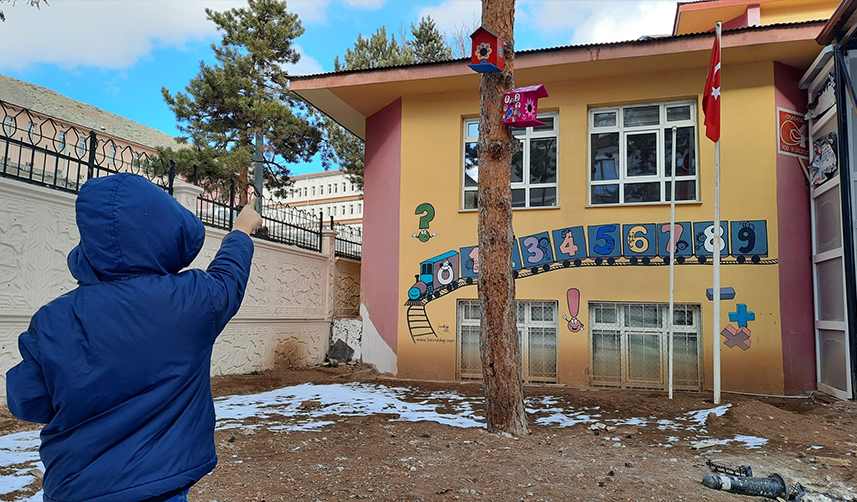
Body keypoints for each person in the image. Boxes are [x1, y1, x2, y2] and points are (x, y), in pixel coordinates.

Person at [6, 173, 262, 502]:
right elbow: (229, 276)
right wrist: (241, 230)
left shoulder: (53, 319)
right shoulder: (193, 300)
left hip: (74, 488)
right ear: (169, 233)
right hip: (161, 488)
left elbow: (28, 400)